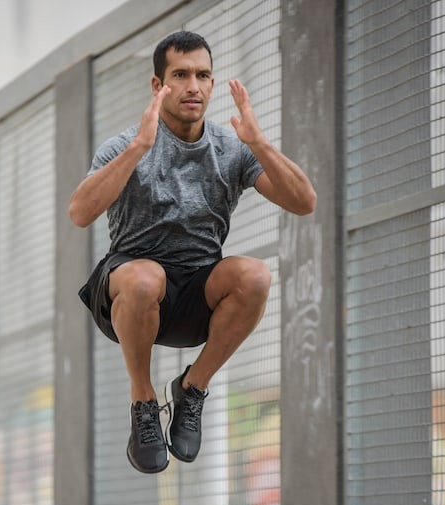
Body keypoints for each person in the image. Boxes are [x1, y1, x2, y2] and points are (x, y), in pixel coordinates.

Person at [69, 31, 316, 474]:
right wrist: (139, 148)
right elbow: (79, 212)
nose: (193, 86)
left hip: (195, 292)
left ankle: (191, 389)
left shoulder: (230, 148)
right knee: (146, 278)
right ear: (157, 85)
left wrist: (259, 143)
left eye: (202, 75)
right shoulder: (127, 144)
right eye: (180, 75)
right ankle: (144, 402)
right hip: (130, 292)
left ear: (212, 83)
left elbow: (303, 201)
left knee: (255, 275)